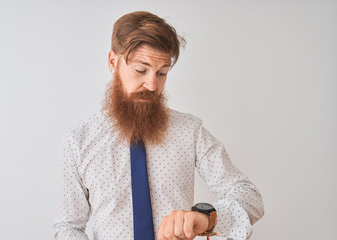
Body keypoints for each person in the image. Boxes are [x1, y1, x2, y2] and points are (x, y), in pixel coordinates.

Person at [53, 11, 264, 240]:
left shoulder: (190, 131)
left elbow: (248, 196)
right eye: (140, 70)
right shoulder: (78, 140)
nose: (152, 85)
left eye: (162, 73)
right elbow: (68, 226)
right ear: (113, 62)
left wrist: (206, 217)